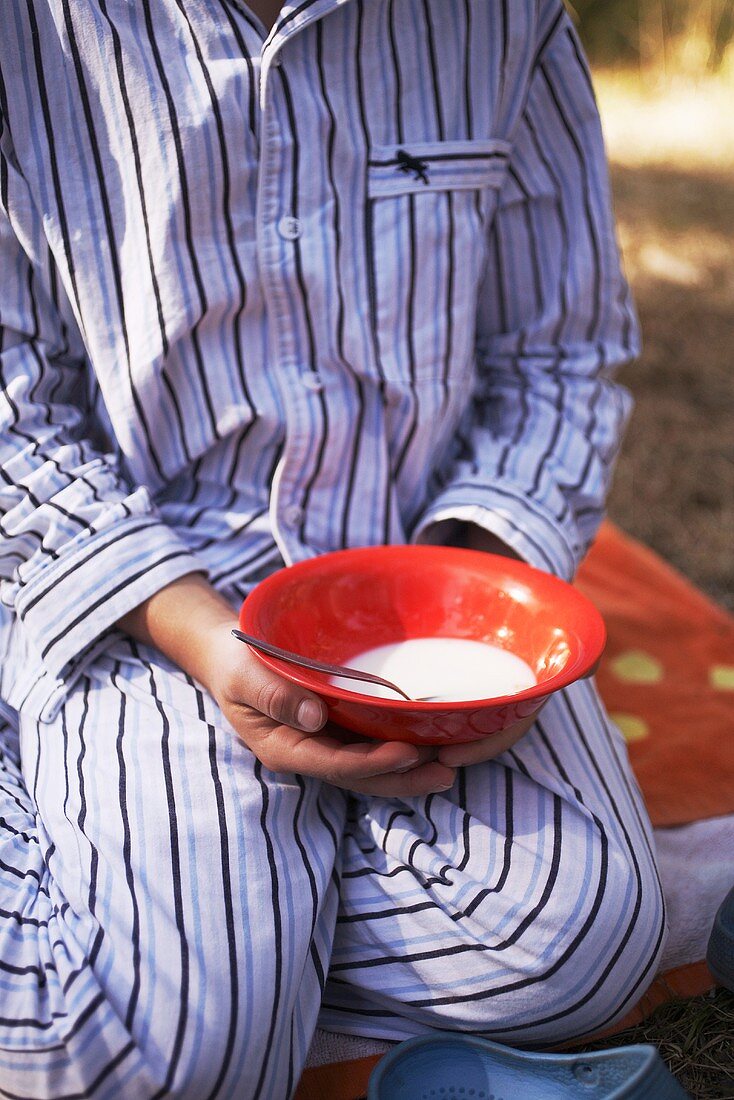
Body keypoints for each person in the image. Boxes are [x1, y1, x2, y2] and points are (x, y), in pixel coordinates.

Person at [0, 1, 666, 1096]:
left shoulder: (503, 20)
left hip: (414, 575)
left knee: (577, 942)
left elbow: (558, 354)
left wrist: (464, 610)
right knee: (171, 1064)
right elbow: (15, 409)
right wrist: (204, 641)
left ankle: (238, 932)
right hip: (148, 592)